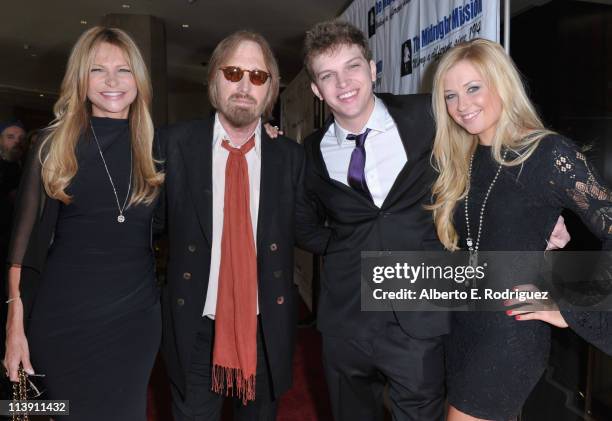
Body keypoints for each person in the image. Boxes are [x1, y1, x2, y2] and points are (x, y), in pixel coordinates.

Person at [429, 38, 612, 421]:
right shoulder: (463, 159)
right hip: (463, 326)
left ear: (502, 84)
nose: (462, 105)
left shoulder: (548, 154)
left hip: (509, 331)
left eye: (473, 88)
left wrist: (571, 305)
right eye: (450, 96)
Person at [158, 30, 329, 421]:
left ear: (270, 91)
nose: (244, 85)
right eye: (233, 71)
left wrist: (372, 236)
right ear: (214, 79)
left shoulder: (288, 156)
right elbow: (143, 227)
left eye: (258, 76)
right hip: (196, 329)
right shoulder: (173, 145)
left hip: (265, 330)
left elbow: (306, 230)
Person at [3, 26, 164, 420]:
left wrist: (266, 134)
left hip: (134, 319)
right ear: (80, 78)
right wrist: (14, 328)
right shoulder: (51, 144)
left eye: (123, 70)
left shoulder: (160, 147)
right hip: (63, 319)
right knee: (60, 413)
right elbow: (20, 253)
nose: (112, 81)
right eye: (97, 70)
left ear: (138, 80)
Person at [299, 19, 450, 420]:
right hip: (345, 323)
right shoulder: (310, 153)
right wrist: (340, 247)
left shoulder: (428, 117)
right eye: (327, 75)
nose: (343, 82)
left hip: (418, 317)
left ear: (372, 69)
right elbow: (301, 222)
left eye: (352, 66)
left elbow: (486, 158)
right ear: (316, 89)